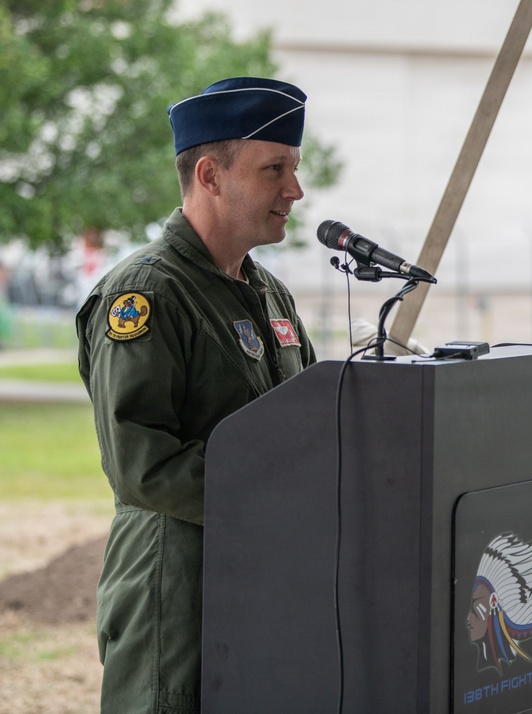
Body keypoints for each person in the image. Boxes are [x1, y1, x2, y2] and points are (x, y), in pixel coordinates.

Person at [76, 76, 318, 712]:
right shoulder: (145, 295)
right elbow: (142, 466)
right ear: (210, 175)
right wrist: (281, 501)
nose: (295, 190)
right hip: (177, 595)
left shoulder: (268, 293)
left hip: (264, 579)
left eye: (293, 168)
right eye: (275, 169)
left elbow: (309, 424)